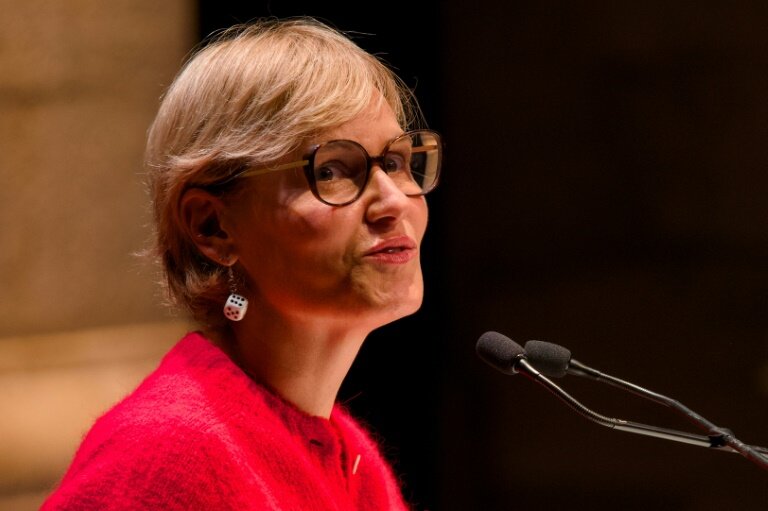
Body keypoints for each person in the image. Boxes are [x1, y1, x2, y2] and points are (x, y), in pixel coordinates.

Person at [40, 16, 442, 511]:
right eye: (332, 170)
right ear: (212, 226)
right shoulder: (167, 454)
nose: (394, 202)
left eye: (396, 162)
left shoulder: (353, 461)